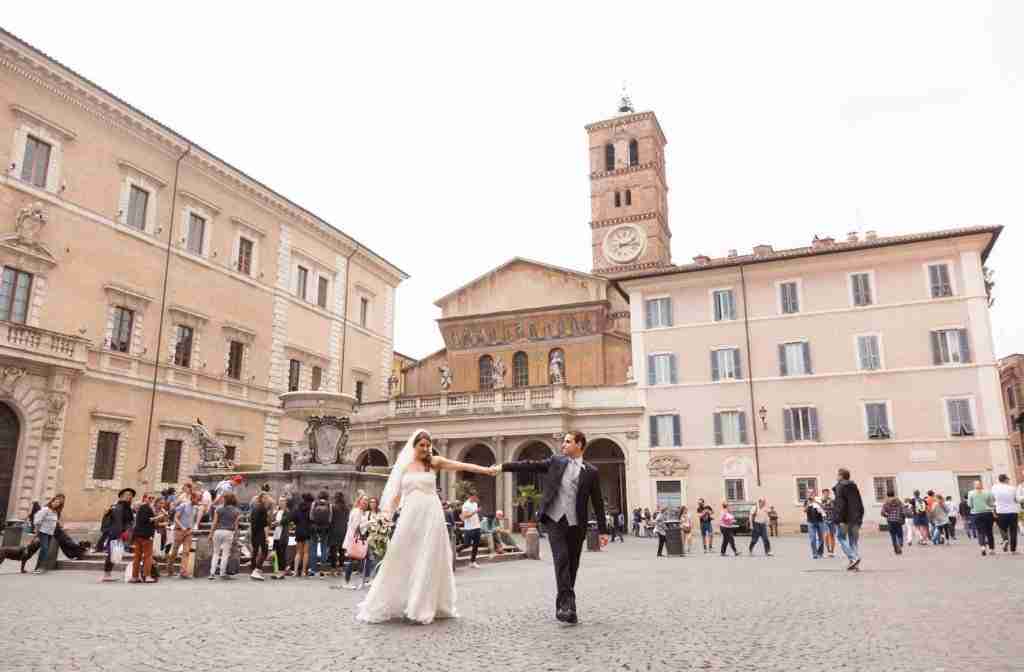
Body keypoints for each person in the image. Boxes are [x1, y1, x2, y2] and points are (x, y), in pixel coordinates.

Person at [356, 428, 498, 624]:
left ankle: (421, 605)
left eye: (428, 445)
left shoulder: (434, 463)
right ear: (414, 446)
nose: (425, 448)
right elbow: (397, 495)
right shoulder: (404, 466)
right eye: (421, 445)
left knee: (428, 555)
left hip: (431, 514)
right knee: (401, 555)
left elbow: (460, 465)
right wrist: (386, 515)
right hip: (409, 516)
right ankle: (399, 600)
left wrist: (485, 470)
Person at [495, 430, 609, 625]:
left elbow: (597, 502)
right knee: (562, 558)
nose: (563, 445)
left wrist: (603, 530)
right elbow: (531, 465)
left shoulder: (591, 471)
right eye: (564, 441)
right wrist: (503, 466)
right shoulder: (557, 462)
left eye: (568, 441)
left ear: (579, 445)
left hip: (576, 524)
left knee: (572, 564)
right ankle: (567, 605)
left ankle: (565, 606)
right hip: (555, 520)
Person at [100, 488, 135, 582]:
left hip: (120, 533)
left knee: (115, 553)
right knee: (112, 553)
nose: (129, 496)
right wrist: (116, 533)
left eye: (131, 495)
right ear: (121, 496)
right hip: (115, 533)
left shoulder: (127, 508)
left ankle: (108, 573)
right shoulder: (116, 507)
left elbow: (129, 521)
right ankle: (107, 574)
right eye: (127, 494)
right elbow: (110, 521)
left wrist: (127, 531)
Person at [834, 468, 865, 571]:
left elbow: (840, 505)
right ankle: (854, 564)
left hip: (845, 519)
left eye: (837, 475)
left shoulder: (840, 487)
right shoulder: (854, 486)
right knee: (853, 541)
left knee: (841, 537)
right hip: (856, 519)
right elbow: (860, 503)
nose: (836, 476)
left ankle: (853, 557)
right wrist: (860, 518)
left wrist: (839, 519)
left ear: (841, 476)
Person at [131, 493, 163, 583]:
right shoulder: (146, 507)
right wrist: (159, 516)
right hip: (146, 535)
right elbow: (148, 520)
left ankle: (135, 576)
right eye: (149, 498)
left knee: (137, 556)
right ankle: (147, 576)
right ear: (144, 498)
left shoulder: (141, 508)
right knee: (148, 556)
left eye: (152, 498)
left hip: (138, 535)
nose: (151, 499)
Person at [209, 492, 241, 580]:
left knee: (215, 553)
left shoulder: (219, 509)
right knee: (225, 554)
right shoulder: (236, 511)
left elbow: (214, 522)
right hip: (228, 532)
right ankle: (222, 573)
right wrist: (236, 536)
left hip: (218, 531)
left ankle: (212, 573)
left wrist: (210, 533)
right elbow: (236, 525)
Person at [30, 494, 63, 575]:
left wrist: (61, 526)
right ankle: (39, 567)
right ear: (52, 501)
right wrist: (36, 531)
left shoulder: (55, 512)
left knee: (45, 550)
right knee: (44, 549)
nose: (56, 504)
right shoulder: (45, 509)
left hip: (50, 533)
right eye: (55, 502)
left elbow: (54, 522)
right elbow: (37, 520)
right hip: (43, 532)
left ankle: (40, 567)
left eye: (58, 503)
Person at [166, 491, 196, 578]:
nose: (199, 500)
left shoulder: (195, 508)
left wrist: (192, 528)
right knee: (174, 552)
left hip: (188, 532)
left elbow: (192, 519)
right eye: (198, 499)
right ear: (192, 498)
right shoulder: (183, 505)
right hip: (179, 531)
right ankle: (169, 569)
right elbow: (176, 517)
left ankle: (183, 572)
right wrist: (182, 527)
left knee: (186, 552)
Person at [342, 495, 370, 587]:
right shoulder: (357, 511)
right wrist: (369, 523)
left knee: (355, 559)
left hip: (354, 538)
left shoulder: (360, 511)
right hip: (354, 538)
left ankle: (351, 581)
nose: (366, 502)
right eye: (364, 500)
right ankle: (347, 581)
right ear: (359, 501)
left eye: (367, 500)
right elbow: (355, 526)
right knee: (352, 559)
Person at [991, 474, 1020, 554]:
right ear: (1006, 480)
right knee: (1013, 530)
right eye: (1008, 479)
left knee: (1002, 528)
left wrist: (994, 509)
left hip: (1000, 511)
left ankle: (1005, 539)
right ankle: (1013, 550)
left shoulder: (994, 488)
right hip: (1012, 511)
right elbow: (1016, 499)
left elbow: (992, 499)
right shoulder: (1013, 488)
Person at [249, 488, 272, 581]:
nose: (267, 500)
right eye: (266, 498)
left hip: (254, 532)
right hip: (260, 532)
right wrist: (266, 537)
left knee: (255, 551)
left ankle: (253, 569)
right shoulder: (262, 508)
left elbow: (252, 521)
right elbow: (265, 525)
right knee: (265, 551)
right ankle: (257, 570)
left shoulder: (255, 508)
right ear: (262, 498)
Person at [968, 480, 995, 556]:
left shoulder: (971, 493)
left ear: (974, 485)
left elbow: (970, 505)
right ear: (981, 485)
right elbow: (991, 503)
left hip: (977, 514)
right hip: (987, 513)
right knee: (989, 531)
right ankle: (991, 549)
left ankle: (983, 547)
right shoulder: (987, 492)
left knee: (980, 532)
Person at [309, 490, 333, 577]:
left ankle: (313, 569)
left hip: (315, 528)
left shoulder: (314, 504)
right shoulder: (329, 505)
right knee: (324, 548)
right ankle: (322, 569)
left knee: (313, 548)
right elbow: (330, 518)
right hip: (325, 529)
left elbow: (311, 516)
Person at [457, 494, 483, 568]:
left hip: (477, 527)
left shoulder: (475, 504)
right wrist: (475, 511)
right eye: (476, 497)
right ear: (472, 497)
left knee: (476, 545)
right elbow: (465, 516)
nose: (477, 499)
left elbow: (475, 515)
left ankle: (472, 561)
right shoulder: (465, 505)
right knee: (466, 544)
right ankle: (457, 550)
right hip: (469, 528)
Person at [291, 493, 314, 579]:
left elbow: (293, 518)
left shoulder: (297, 507)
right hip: (308, 531)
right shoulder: (311, 508)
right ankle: (303, 571)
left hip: (299, 531)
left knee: (298, 552)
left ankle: (296, 571)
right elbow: (313, 519)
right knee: (306, 552)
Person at [327, 492, 349, 576]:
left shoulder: (333, 507)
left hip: (333, 530)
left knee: (333, 551)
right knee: (342, 551)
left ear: (336, 498)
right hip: (343, 530)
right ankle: (340, 568)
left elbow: (330, 519)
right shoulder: (346, 508)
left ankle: (333, 569)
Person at [270, 495, 291, 580]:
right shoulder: (277, 511)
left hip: (283, 536)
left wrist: (275, 523)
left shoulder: (287, 512)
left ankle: (282, 572)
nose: (281, 502)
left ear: (286, 502)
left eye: (283, 501)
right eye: (280, 501)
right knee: (275, 554)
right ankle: (276, 571)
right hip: (276, 535)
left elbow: (283, 521)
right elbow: (272, 520)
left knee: (282, 554)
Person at [804, 491, 827, 559]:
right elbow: (804, 510)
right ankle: (814, 553)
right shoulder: (807, 501)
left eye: (811, 493)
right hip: (810, 522)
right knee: (812, 538)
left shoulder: (819, 499)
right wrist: (809, 503)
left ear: (814, 494)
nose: (810, 494)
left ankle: (820, 553)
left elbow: (823, 507)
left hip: (820, 521)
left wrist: (815, 501)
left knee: (821, 538)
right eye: (809, 493)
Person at [881, 490, 905, 554]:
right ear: (894, 494)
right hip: (898, 520)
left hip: (890, 521)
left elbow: (882, 512)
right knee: (900, 534)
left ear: (887, 495)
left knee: (893, 535)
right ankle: (899, 545)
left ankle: (896, 549)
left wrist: (887, 515)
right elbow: (903, 510)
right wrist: (902, 517)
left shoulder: (886, 502)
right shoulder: (899, 501)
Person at [820, 488, 836, 557]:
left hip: (832, 520)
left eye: (827, 493)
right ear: (823, 494)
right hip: (824, 520)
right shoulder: (820, 501)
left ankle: (832, 551)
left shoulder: (832, 500)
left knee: (832, 535)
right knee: (826, 535)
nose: (826, 494)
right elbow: (820, 509)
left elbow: (834, 508)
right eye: (825, 493)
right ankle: (828, 550)